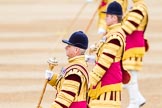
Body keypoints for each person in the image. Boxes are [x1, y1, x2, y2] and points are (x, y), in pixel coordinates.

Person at [87, 1, 126, 108]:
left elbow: (104, 63)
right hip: (106, 80)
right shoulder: (112, 33)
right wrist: (91, 59)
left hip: (108, 82)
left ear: (114, 18)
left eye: (108, 16)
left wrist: (90, 80)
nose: (105, 18)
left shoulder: (114, 36)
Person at [45, 31, 89, 108]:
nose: (66, 47)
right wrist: (53, 78)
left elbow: (65, 97)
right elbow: (66, 84)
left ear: (76, 50)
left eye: (69, 46)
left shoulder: (75, 71)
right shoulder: (76, 66)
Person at [121, 0, 149, 108]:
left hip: (133, 47)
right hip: (132, 46)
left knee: (131, 76)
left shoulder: (139, 8)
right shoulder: (137, 7)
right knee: (129, 76)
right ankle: (138, 98)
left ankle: (134, 102)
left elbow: (127, 28)